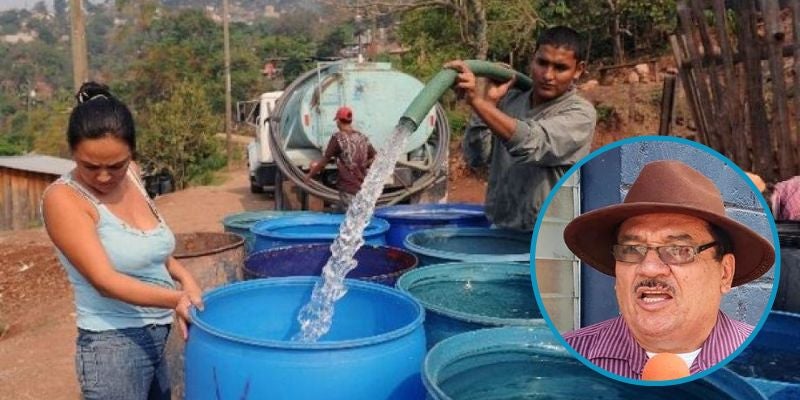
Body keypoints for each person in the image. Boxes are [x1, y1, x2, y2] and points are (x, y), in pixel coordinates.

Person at [41, 82, 203, 399]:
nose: (104, 177)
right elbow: (105, 281)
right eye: (90, 166)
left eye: (116, 165)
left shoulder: (133, 176)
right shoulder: (64, 199)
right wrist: (176, 299)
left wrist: (185, 277)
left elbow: (150, 248)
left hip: (162, 332)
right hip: (113, 345)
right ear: (72, 152)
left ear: (132, 154)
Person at [560, 160, 775, 380]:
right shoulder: (564, 361)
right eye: (632, 249)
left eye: (679, 250)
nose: (649, 269)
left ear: (725, 273)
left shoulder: (770, 363)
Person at [445, 26, 597, 232]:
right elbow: (477, 158)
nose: (548, 75)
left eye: (560, 68)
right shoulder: (510, 101)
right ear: (532, 60)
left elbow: (532, 143)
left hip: (548, 236)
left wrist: (478, 103)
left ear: (578, 70)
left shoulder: (581, 114)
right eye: (542, 63)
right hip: (501, 228)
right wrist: (487, 103)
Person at [305, 106, 376, 206]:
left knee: (349, 214)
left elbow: (325, 161)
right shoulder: (362, 137)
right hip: (362, 188)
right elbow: (376, 158)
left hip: (348, 189)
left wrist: (309, 176)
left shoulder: (337, 138)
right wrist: (364, 164)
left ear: (338, 121)